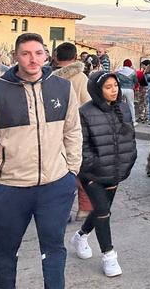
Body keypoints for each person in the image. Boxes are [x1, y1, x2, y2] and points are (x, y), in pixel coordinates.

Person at [0, 33, 82, 289]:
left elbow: (73, 131)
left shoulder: (62, 88)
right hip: (10, 186)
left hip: (55, 185)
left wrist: (71, 171)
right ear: (16, 57)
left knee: (54, 250)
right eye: (26, 53)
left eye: (38, 53)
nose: (33, 59)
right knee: (3, 250)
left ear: (46, 55)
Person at [69, 71, 137, 277]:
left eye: (115, 85)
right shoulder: (85, 112)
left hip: (115, 171)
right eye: (108, 87)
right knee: (103, 212)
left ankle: (80, 236)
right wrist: (95, 167)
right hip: (92, 174)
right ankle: (109, 256)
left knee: (102, 210)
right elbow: (82, 147)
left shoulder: (123, 109)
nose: (114, 90)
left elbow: (130, 140)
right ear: (98, 90)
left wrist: (126, 163)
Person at [51, 42, 94, 222]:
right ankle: (84, 208)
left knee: (56, 172)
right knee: (81, 170)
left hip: (54, 130)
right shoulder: (80, 77)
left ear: (55, 57)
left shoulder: (48, 78)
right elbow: (87, 103)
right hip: (77, 129)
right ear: (75, 57)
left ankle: (61, 211)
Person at [115, 59, 138, 124]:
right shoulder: (133, 72)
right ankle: (133, 121)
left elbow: (116, 79)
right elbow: (136, 81)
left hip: (121, 89)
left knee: (119, 104)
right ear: (130, 64)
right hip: (130, 89)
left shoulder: (119, 71)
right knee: (131, 105)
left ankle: (119, 120)